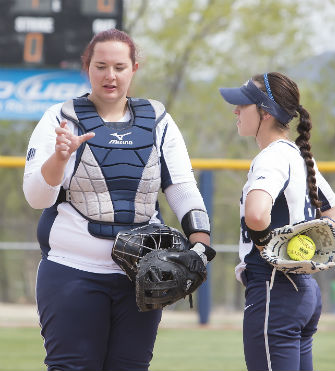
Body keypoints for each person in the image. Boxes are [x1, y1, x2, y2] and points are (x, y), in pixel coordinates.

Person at [23, 28, 215, 371]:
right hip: (72, 269)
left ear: (134, 69)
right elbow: (37, 198)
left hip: (142, 274)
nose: (110, 75)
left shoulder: (159, 121)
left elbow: (184, 189)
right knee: (72, 367)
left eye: (119, 66)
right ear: (87, 67)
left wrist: (200, 245)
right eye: (100, 66)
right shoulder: (60, 118)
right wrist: (59, 159)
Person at [219, 72, 335, 371]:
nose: (236, 110)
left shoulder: (271, 157)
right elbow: (332, 210)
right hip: (304, 292)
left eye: (243, 104)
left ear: (265, 111)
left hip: (274, 287)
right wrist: (307, 250)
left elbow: (257, 214)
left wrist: (265, 246)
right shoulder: (297, 155)